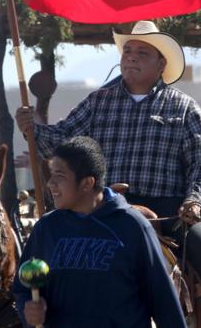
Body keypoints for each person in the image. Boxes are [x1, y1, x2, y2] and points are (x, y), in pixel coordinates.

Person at [15, 20, 201, 326]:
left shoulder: (184, 108)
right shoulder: (97, 102)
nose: (131, 56)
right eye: (128, 50)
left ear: (161, 64)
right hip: (107, 205)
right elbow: (62, 140)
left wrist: (195, 201)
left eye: (142, 52)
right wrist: (33, 129)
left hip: (169, 210)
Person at [13, 136, 186, 328]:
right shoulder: (47, 228)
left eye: (59, 176)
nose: (50, 183)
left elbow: (163, 301)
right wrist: (27, 310)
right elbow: (23, 288)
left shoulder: (133, 226)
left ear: (87, 183)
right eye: (51, 175)